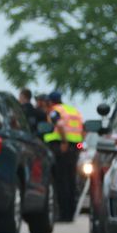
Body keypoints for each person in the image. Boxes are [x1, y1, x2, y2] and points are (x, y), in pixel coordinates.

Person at [44, 91, 84, 222]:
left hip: (61, 147)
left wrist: (64, 142)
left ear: (50, 102)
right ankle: (70, 213)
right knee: (71, 180)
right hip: (75, 148)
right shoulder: (73, 110)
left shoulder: (55, 111)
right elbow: (83, 130)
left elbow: (60, 125)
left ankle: (62, 214)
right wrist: (79, 145)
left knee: (61, 181)